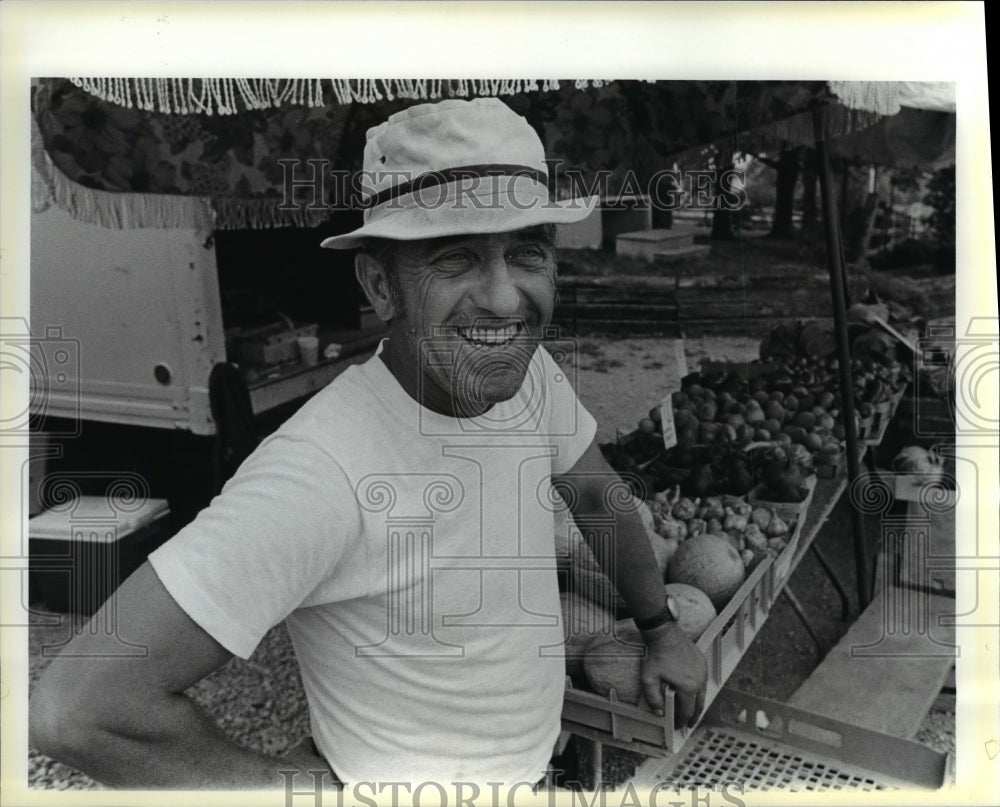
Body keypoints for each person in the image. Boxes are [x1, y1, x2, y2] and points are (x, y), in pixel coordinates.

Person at [30, 97, 707, 790]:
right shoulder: (320, 469)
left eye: (526, 250)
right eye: (456, 258)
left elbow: (596, 493)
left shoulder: (530, 377)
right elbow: (78, 711)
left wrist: (661, 628)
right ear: (381, 285)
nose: (505, 298)